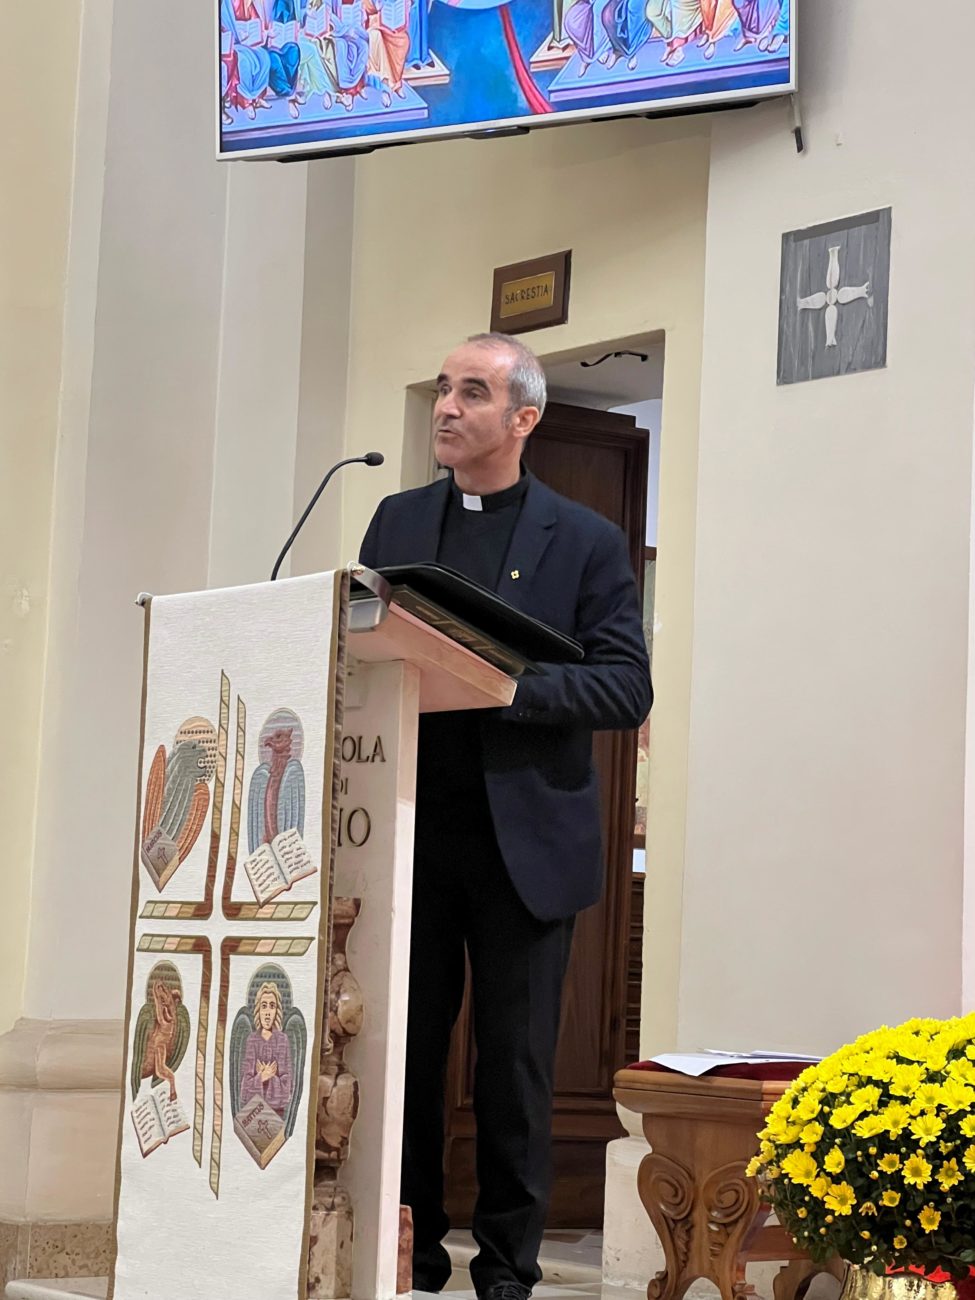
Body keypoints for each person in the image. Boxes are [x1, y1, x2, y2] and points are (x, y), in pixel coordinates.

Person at [358, 333, 652, 1300]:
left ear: (523, 418)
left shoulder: (585, 538)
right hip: (409, 832)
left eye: (472, 393)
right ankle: (406, 1253)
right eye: (443, 388)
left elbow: (625, 688)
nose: (446, 407)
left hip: (525, 844)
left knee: (515, 1070)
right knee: (403, 1057)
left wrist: (504, 686)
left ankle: (506, 1271)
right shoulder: (397, 520)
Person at [240, 982, 294, 1117]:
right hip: (253, 1114)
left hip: (277, 1116)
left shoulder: (282, 1040)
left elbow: (286, 1090)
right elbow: (245, 1091)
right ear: (258, 1010)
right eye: (264, 1006)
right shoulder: (252, 1040)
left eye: (272, 1006)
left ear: (277, 1011)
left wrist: (265, 1077)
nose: (268, 1013)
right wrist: (263, 1076)